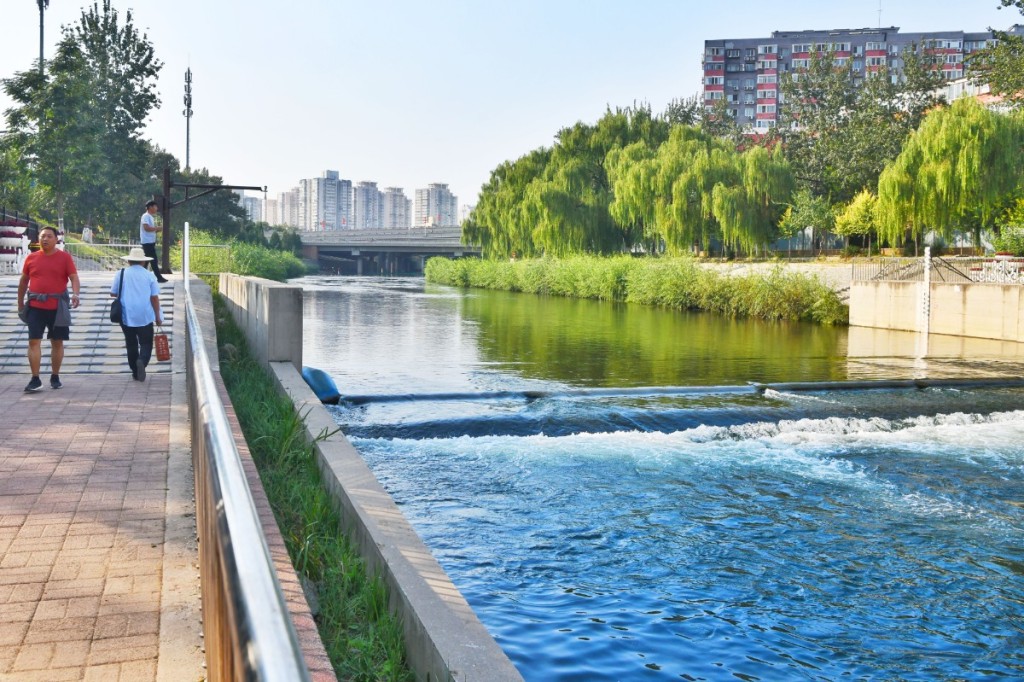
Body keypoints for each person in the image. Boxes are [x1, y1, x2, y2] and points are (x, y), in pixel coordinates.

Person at [17, 226, 81, 392]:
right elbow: (24, 282)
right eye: (42, 236)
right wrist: (20, 304)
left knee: (57, 342)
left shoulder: (65, 258)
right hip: (36, 307)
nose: (45, 239)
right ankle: (35, 378)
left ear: (56, 239)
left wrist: (75, 294)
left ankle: (55, 375)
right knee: (33, 341)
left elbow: (74, 277)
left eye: (49, 236)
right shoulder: (31, 258)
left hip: (57, 307)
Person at [111, 246, 164, 382]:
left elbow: (113, 293)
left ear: (129, 261)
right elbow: (154, 298)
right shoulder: (149, 275)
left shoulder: (121, 273)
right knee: (146, 343)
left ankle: (135, 371)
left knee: (131, 343)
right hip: (145, 315)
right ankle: (142, 361)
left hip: (126, 314)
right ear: (143, 262)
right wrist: (158, 316)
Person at [140, 200, 168, 283]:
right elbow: (146, 228)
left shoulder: (150, 217)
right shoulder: (145, 216)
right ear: (150, 207)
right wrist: (157, 228)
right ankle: (158, 277)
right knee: (153, 260)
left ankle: (140, 276)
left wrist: (158, 229)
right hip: (147, 242)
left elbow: (151, 229)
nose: (157, 208)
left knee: (147, 261)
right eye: (155, 206)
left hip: (150, 241)